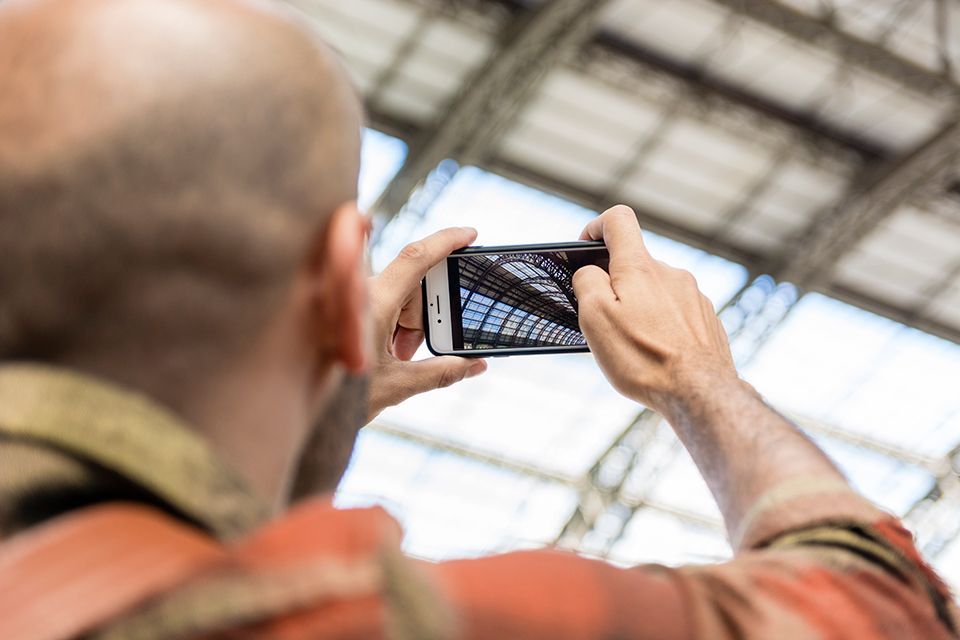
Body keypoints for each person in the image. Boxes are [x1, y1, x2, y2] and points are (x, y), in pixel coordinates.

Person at [0, 0, 955, 637]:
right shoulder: (370, 620)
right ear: (343, 287)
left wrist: (317, 405)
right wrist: (698, 380)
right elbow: (881, 607)